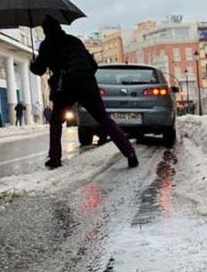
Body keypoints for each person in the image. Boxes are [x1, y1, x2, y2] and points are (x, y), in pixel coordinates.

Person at [30, 18, 138, 169]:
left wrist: (33, 63)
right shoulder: (75, 41)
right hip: (87, 84)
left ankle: (55, 158)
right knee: (104, 120)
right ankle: (130, 153)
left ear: (46, 30)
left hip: (66, 87)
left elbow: (39, 70)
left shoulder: (47, 45)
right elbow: (93, 65)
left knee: (56, 121)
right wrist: (84, 75)